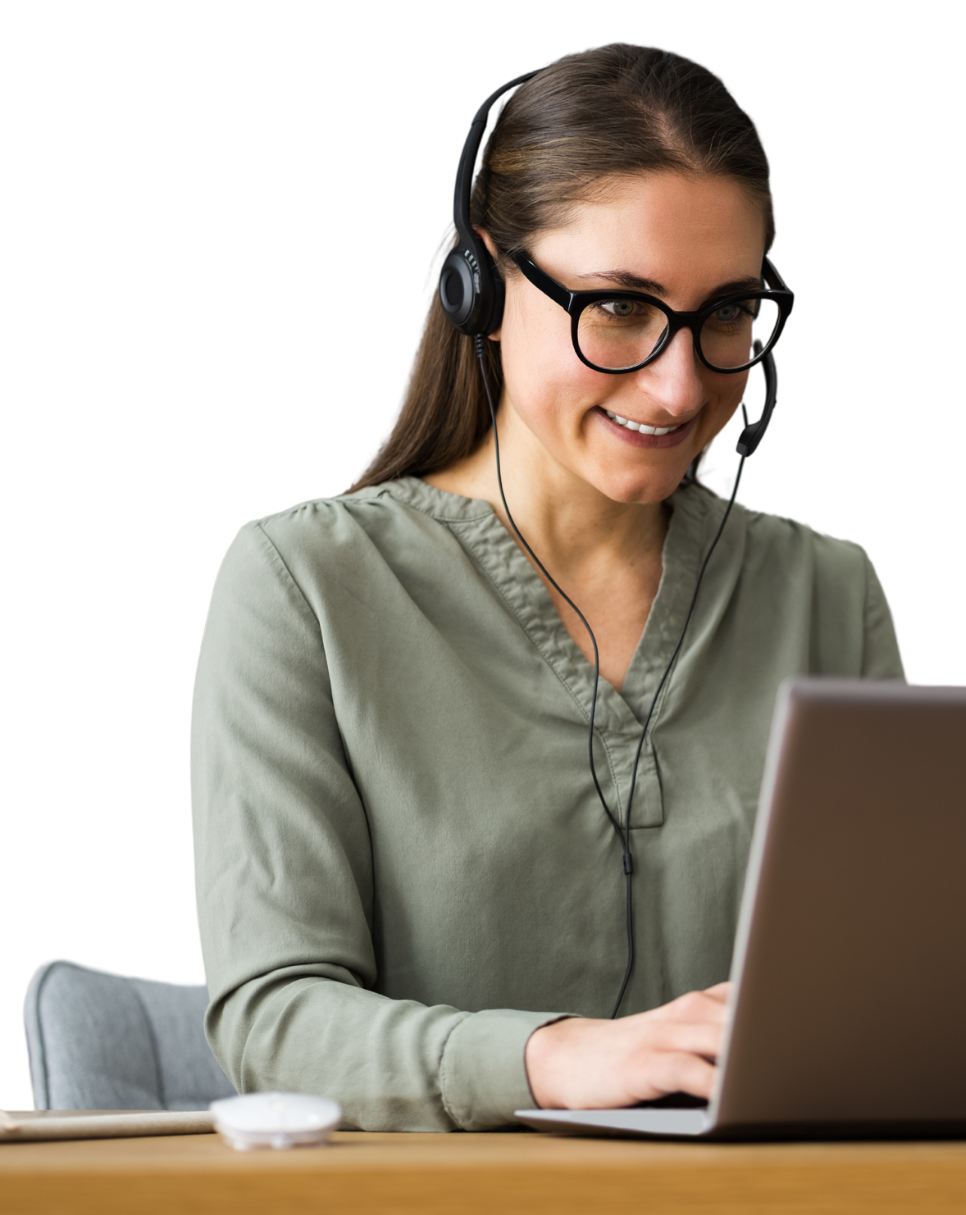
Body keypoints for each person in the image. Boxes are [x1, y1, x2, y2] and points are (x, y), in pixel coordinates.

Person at [188, 42, 906, 1133]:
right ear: (478, 285)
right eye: (619, 306)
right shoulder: (305, 585)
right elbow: (273, 1018)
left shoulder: (827, 589)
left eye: (727, 313)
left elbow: (897, 991)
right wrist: (552, 1058)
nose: (679, 385)